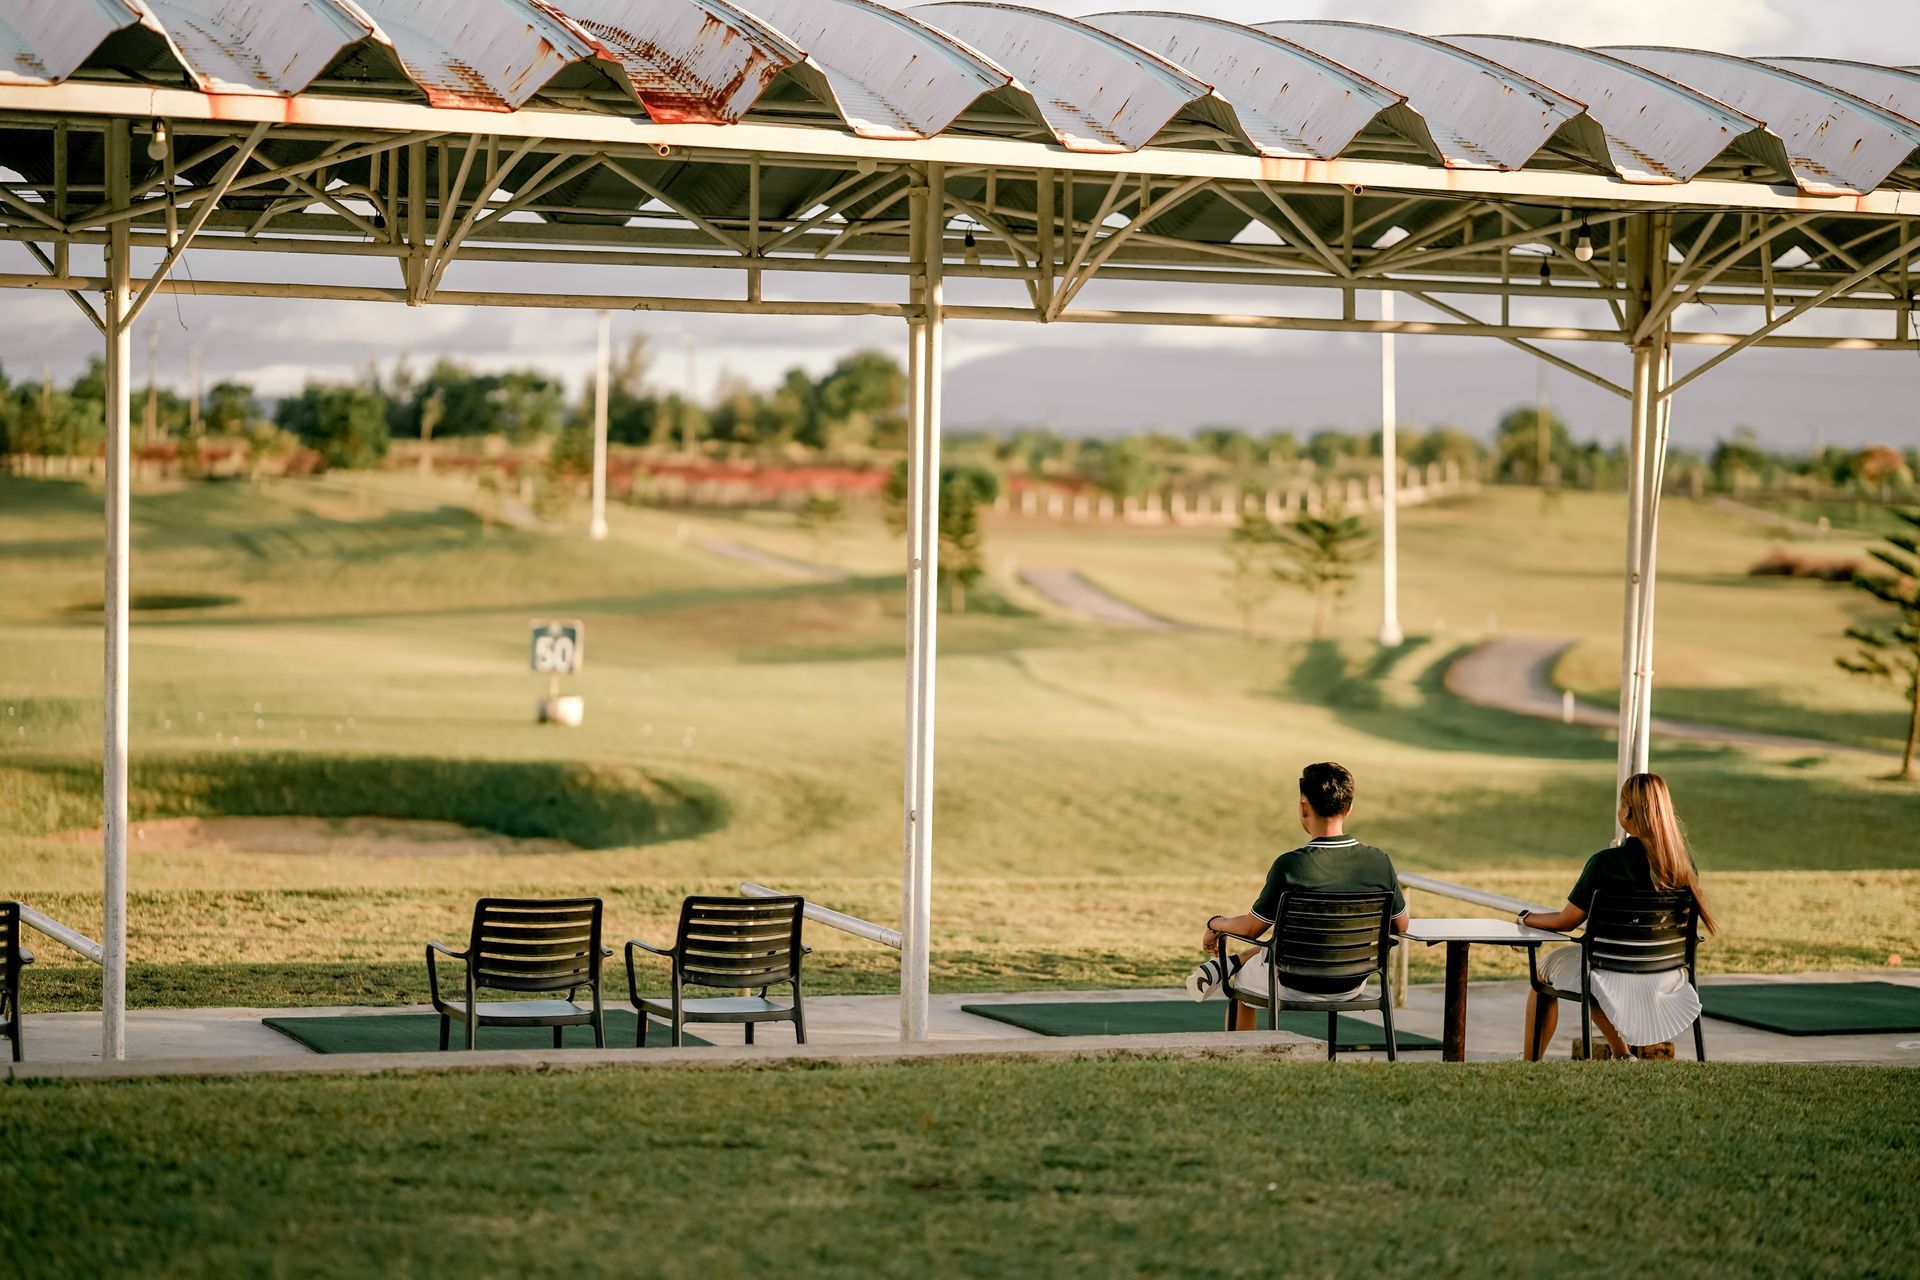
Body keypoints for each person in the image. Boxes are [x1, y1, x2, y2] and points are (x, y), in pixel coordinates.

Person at [1189, 762, 1408, 1031]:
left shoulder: (1290, 865)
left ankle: (1241, 1043)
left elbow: (1251, 929)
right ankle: (1237, 961)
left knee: (1240, 985)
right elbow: (1401, 925)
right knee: (1283, 944)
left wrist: (1215, 923)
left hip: (1292, 982)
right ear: (1349, 808)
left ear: (1304, 807)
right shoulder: (1379, 862)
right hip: (1351, 982)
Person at [1519, 772, 1718, 1060]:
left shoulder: (1604, 864)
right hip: (1665, 973)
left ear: (1627, 812)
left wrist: (1526, 919)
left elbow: (1567, 921)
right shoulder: (1683, 866)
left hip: (1607, 971)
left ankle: (1530, 1063)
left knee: (1550, 972)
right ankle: (1622, 1054)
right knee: (1596, 970)